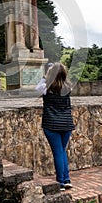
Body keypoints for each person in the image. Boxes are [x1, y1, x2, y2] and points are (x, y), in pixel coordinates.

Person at [36, 62, 75, 191]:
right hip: (66, 123)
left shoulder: (46, 88)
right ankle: (67, 178)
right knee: (62, 151)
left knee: (58, 152)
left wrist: (46, 75)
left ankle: (61, 182)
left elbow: (37, 88)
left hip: (51, 124)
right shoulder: (68, 88)